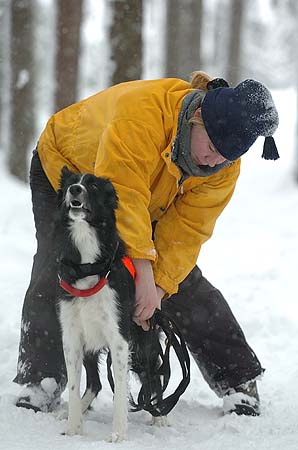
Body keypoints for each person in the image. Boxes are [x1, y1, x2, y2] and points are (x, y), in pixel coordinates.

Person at [14, 71, 279, 416]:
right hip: (69, 171)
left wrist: (158, 288)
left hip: (148, 197)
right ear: (197, 117)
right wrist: (142, 271)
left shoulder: (222, 169)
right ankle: (40, 379)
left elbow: (187, 231)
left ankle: (238, 378)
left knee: (180, 281)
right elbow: (122, 191)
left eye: (226, 158)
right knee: (59, 266)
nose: (215, 161)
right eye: (212, 148)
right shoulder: (142, 114)